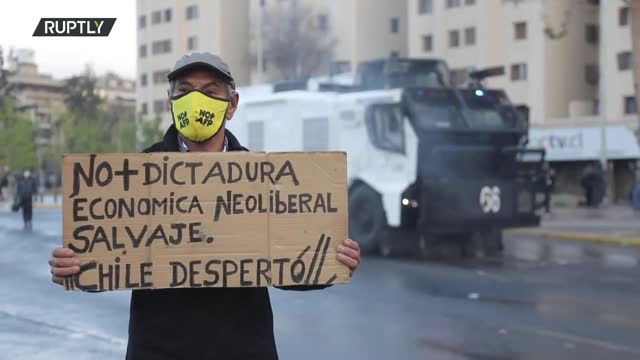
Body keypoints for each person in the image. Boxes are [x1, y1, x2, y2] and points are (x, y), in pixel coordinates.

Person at [48, 52, 361, 360]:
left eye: (210, 92)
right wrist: (77, 266)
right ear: (171, 102)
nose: (196, 101)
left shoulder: (266, 178)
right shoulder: (133, 176)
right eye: (184, 92)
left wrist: (330, 261)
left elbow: (287, 267)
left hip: (244, 350)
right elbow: (111, 263)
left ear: (232, 105)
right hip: (159, 350)